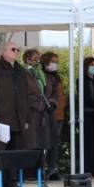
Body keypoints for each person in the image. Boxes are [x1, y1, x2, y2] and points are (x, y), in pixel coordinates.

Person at [0, 41, 29, 187]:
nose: (16, 52)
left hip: (18, 119)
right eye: (13, 49)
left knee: (15, 153)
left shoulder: (20, 71)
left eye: (18, 49)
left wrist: (26, 119)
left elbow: (25, 97)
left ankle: (12, 181)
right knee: (0, 152)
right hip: (1, 119)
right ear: (3, 52)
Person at [41, 51, 64, 180]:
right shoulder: (42, 76)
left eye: (56, 62)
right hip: (47, 114)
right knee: (45, 143)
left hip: (58, 115)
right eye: (53, 61)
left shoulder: (56, 77)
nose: (55, 64)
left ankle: (52, 169)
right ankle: (41, 170)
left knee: (55, 144)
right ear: (45, 62)